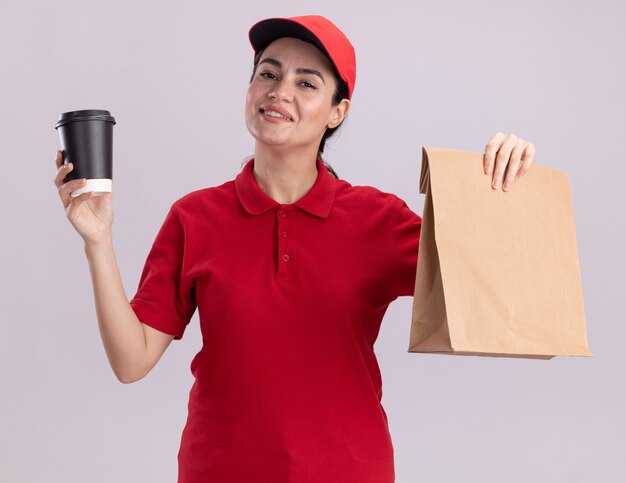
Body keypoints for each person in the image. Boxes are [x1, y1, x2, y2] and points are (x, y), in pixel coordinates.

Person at [53, 15, 535, 483]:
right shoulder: (194, 218)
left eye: (307, 84)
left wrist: (503, 185)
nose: (279, 91)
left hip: (351, 473)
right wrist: (98, 242)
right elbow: (131, 361)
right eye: (268, 73)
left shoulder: (377, 220)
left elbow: (493, 288)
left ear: (337, 111)